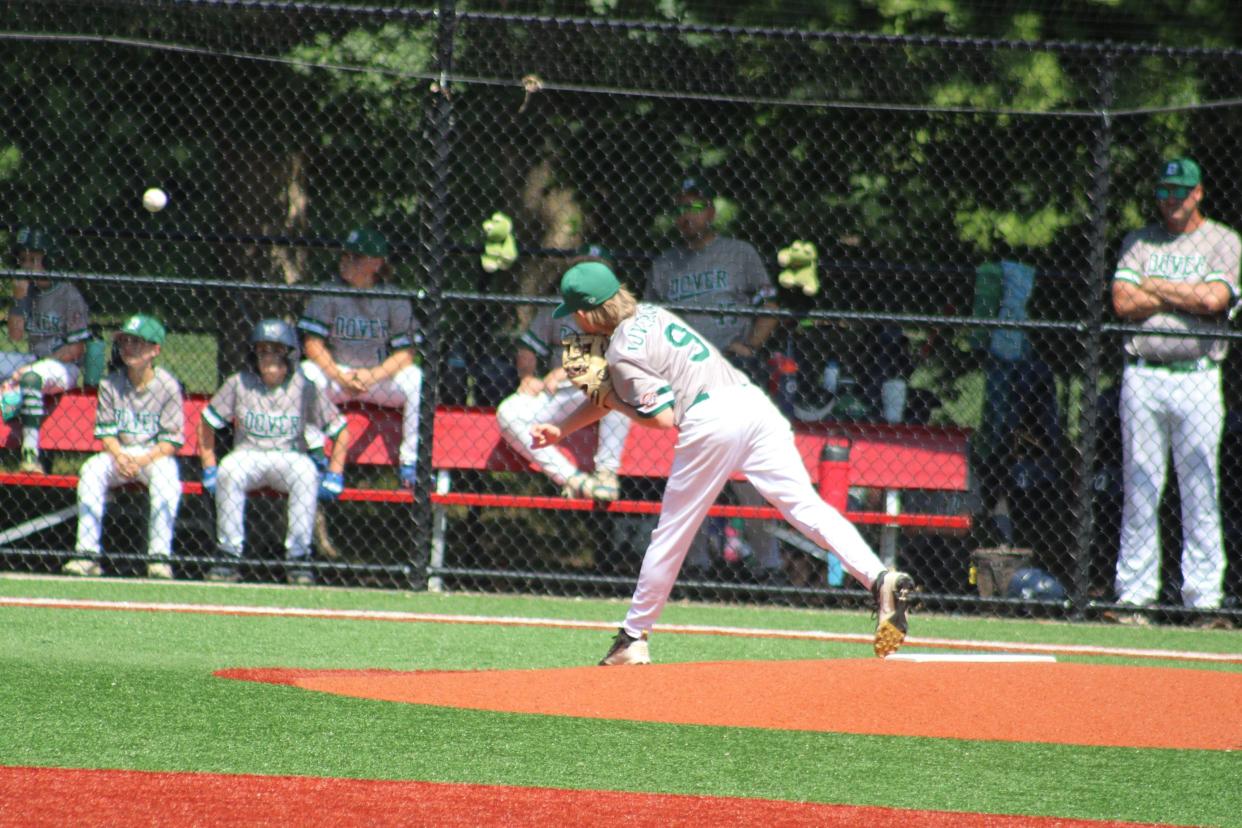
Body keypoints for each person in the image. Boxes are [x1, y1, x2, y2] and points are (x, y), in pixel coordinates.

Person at [531, 262, 915, 664]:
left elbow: (659, 417)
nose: (573, 322)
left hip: (709, 418)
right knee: (805, 506)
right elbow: (617, 394)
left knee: (672, 533)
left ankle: (633, 637)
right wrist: (562, 428)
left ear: (590, 313)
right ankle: (879, 577)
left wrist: (610, 398)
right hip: (752, 406)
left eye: (575, 312)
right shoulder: (651, 314)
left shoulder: (624, 350)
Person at [1111, 157, 1240, 620]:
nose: (1172, 199)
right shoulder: (1139, 240)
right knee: (1140, 486)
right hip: (1143, 374)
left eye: (1180, 191)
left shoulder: (1223, 240)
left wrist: (1155, 287)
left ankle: (1204, 599)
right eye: (1165, 190)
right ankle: (1135, 595)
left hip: (1199, 376)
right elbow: (1123, 301)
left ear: (1199, 192)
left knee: (1200, 485)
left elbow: (1215, 299)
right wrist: (1186, 291)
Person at [646, 174, 784, 582]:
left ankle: (768, 565)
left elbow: (769, 307)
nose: (685, 216)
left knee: (745, 472)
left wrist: (752, 347)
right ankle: (696, 566)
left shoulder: (739, 254)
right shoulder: (664, 265)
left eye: (694, 207)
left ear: (710, 212)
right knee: (686, 470)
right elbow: (649, 325)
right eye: (679, 209)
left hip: (730, 370)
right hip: (681, 377)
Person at [198, 319, 352, 585]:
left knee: (306, 472)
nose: (269, 357)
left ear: (290, 354)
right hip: (248, 453)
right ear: (253, 354)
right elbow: (207, 422)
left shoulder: (304, 386)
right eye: (263, 350)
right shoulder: (239, 383)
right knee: (229, 471)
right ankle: (228, 554)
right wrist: (210, 466)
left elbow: (341, 431)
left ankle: (298, 557)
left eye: (276, 350)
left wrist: (335, 472)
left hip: (288, 455)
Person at [496, 248, 632, 500]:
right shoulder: (558, 309)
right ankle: (573, 479)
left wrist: (567, 370)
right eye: (582, 268)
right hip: (559, 394)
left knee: (621, 382)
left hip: (599, 391)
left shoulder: (621, 313)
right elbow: (528, 348)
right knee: (508, 413)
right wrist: (527, 376)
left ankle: (606, 473)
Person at [298, 227, 422, 488]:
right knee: (307, 374)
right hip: (338, 376)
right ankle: (316, 452)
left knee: (416, 380)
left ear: (376, 263)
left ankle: (410, 464)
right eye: (344, 255)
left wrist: (372, 375)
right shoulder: (328, 291)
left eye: (355, 257)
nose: (345, 261)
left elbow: (406, 354)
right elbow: (312, 344)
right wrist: (339, 376)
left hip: (377, 380)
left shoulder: (394, 297)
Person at [66, 314, 183, 579]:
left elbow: (170, 442)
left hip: (153, 457)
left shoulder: (167, 385)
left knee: (168, 478)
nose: (128, 347)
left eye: (138, 343)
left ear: (156, 350)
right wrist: (119, 456)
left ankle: (159, 558)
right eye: (125, 341)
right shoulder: (111, 383)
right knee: (92, 470)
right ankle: (87, 555)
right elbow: (106, 433)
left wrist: (141, 461)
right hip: (118, 453)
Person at [1, 227, 91, 473]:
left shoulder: (68, 294)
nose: (26, 266)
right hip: (33, 358)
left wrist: (32, 367)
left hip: (63, 366)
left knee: (31, 378)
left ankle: (30, 456)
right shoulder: (27, 292)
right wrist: (18, 299)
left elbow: (76, 348)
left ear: (49, 260)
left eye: (33, 259)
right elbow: (16, 335)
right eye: (22, 260)